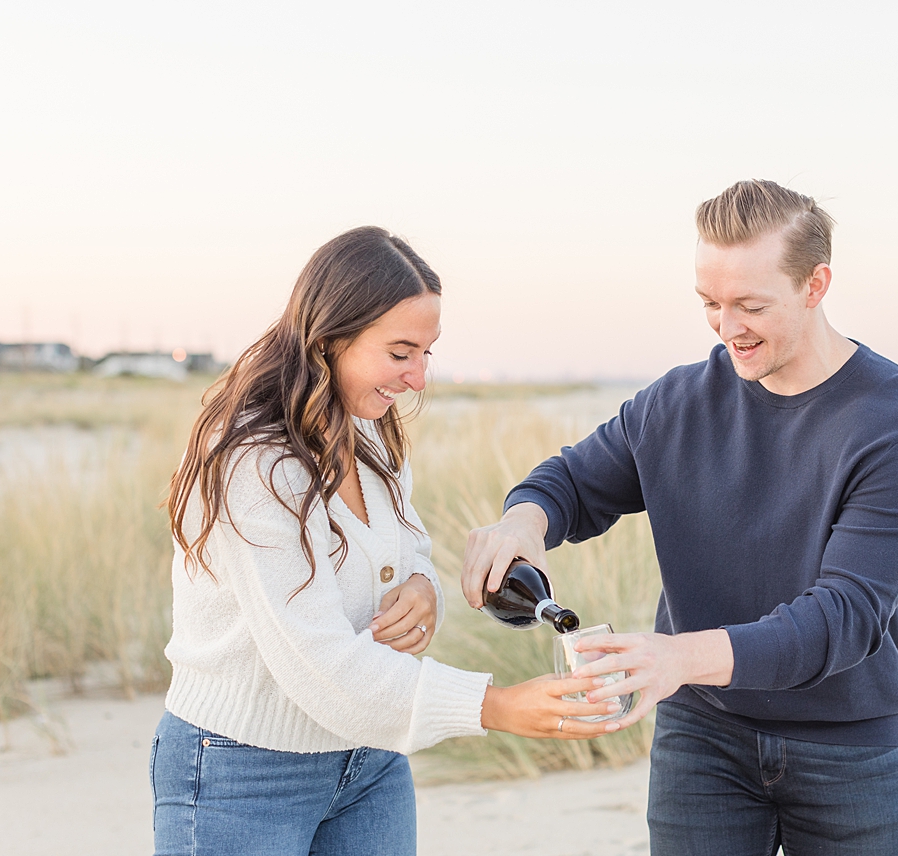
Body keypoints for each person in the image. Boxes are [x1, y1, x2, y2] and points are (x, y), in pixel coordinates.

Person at [461, 180, 898, 855]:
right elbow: (568, 482)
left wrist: (677, 657)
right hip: (704, 743)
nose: (728, 328)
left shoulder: (894, 427)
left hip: (847, 749)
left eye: (751, 305)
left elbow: (843, 618)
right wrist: (523, 523)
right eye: (711, 304)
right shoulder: (678, 402)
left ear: (816, 284)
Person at [152, 226, 620, 856]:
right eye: (400, 352)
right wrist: (497, 706)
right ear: (329, 339)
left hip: (370, 764)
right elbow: (319, 665)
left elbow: (407, 549)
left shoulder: (366, 432)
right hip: (242, 772)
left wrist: (426, 590)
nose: (419, 378)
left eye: (426, 352)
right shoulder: (253, 465)